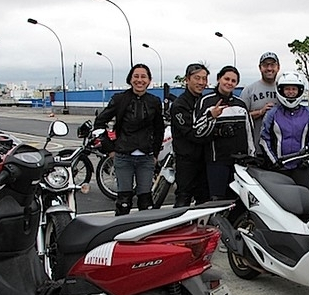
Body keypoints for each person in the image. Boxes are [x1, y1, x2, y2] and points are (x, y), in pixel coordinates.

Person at [94, 63, 165, 215]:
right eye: (136, 76)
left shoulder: (154, 101)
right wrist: (110, 148)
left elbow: (159, 129)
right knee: (124, 202)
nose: (140, 80)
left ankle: (144, 235)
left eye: (143, 77)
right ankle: (120, 234)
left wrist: (155, 154)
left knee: (146, 202)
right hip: (123, 156)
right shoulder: (120, 99)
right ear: (130, 79)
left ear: (149, 80)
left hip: (146, 157)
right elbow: (100, 123)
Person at [194, 65, 255, 200]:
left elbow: (249, 132)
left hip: (239, 163)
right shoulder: (206, 101)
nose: (229, 83)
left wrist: (251, 156)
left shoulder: (241, 104)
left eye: (233, 81)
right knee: (217, 200)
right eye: (226, 79)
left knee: (238, 201)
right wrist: (211, 116)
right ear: (219, 79)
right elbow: (197, 131)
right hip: (217, 162)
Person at [260, 71, 309, 193]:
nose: (291, 92)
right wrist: (274, 161)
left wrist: (306, 159)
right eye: (287, 89)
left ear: (300, 91)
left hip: (301, 167)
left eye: (294, 89)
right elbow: (264, 139)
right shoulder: (272, 113)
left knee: (306, 203)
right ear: (281, 90)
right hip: (279, 168)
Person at [171, 62, 211, 207]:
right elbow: (191, 133)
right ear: (187, 79)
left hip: (205, 160)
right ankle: (178, 228)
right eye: (197, 78)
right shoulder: (179, 104)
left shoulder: (206, 102)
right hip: (186, 161)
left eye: (204, 79)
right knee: (183, 198)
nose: (201, 82)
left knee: (205, 200)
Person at [240, 52, 280, 148]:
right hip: (256, 148)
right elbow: (240, 118)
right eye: (265, 65)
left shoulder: (284, 89)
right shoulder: (249, 90)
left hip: (281, 150)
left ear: (278, 67)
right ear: (260, 68)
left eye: (272, 65)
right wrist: (260, 112)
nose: (269, 68)